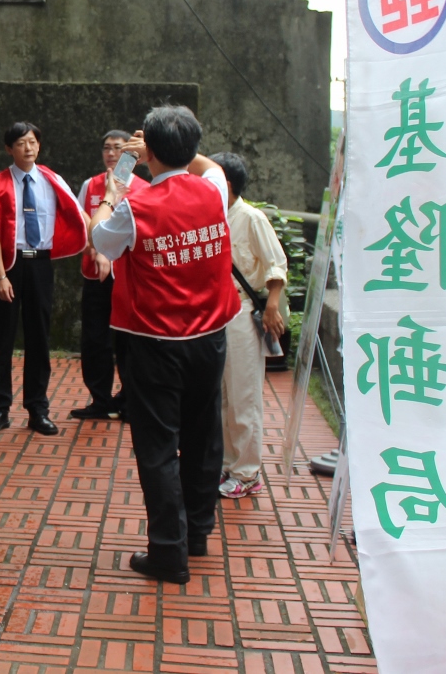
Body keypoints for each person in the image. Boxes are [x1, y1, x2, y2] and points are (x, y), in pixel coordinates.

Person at [89, 105, 240, 585]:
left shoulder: (137, 206)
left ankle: (169, 552)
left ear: (147, 152)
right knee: (202, 438)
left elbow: (100, 241)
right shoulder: (215, 190)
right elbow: (208, 166)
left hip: (155, 342)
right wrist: (167, 151)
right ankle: (197, 533)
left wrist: (114, 188)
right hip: (211, 337)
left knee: (157, 448)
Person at [0, 121, 88, 436]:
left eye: (32, 142)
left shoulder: (52, 180)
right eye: (21, 143)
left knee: (39, 339)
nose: (28, 148)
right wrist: (0, 276)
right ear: (8, 149)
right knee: (2, 339)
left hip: (40, 265)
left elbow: (78, 215)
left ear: (39, 145)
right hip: (7, 266)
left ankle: (38, 409)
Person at [208, 152, 288, 500]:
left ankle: (248, 471)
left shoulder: (251, 218)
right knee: (223, 396)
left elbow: (276, 265)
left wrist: (272, 306)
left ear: (225, 184)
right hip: (214, 313)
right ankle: (229, 462)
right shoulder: (208, 217)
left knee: (243, 395)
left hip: (241, 311)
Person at [72, 130, 148, 421]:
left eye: (118, 148)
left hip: (130, 277)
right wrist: (95, 247)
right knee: (94, 339)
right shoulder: (91, 186)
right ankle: (100, 399)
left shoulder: (142, 188)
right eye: (107, 148)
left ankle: (130, 401)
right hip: (95, 276)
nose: (112, 153)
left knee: (128, 340)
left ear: (132, 153)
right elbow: (83, 222)